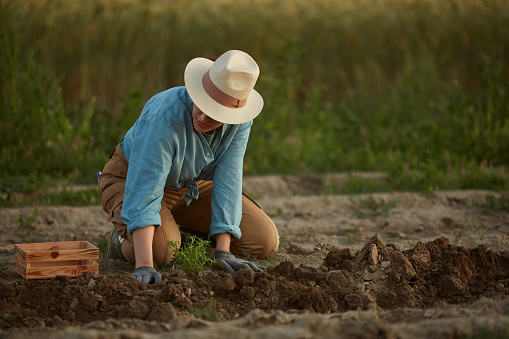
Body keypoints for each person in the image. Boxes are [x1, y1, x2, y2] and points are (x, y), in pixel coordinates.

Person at [98, 50, 279, 284]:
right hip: (131, 179)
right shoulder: (164, 115)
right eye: (201, 103)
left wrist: (224, 251)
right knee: (160, 252)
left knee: (263, 242)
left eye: (215, 113)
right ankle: (121, 242)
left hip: (190, 186)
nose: (203, 117)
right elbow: (146, 188)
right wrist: (144, 264)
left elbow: (228, 179)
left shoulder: (241, 122)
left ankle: (177, 231)